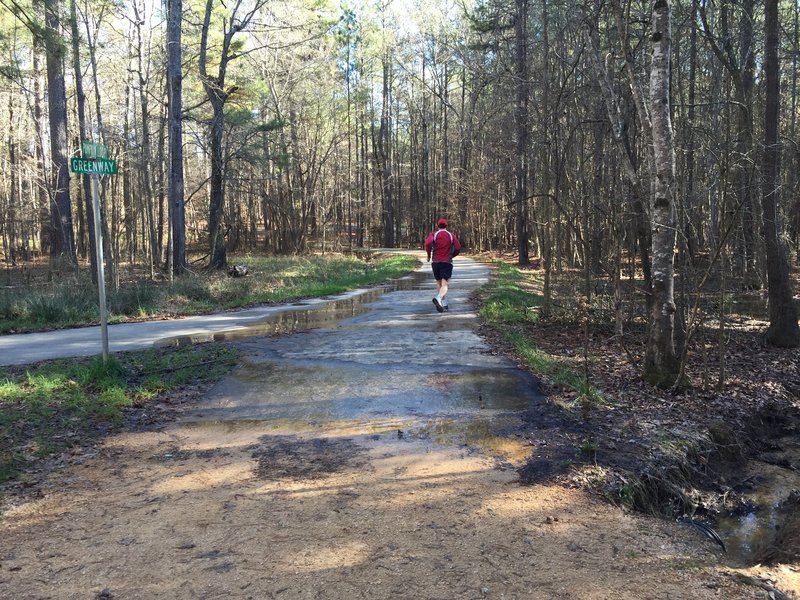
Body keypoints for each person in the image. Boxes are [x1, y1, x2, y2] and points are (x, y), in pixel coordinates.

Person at [424, 218, 461, 313]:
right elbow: (458, 247)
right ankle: (439, 298)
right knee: (445, 284)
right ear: (446, 226)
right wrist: (452, 255)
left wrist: (428, 255)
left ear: (437, 225)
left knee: (438, 283)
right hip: (446, 262)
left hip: (435, 262)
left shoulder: (434, 234)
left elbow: (427, 243)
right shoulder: (450, 235)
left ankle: (443, 304)